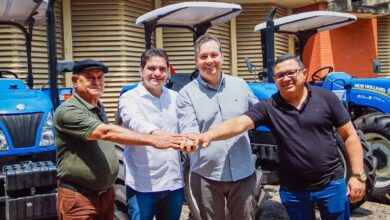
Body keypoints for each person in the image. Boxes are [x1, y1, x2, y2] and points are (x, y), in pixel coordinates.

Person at [198, 54, 366, 220]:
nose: (286, 78)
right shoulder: (269, 106)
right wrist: (209, 135)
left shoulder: (326, 98)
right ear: (275, 79)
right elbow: (239, 124)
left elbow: (350, 135)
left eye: (291, 72)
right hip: (294, 192)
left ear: (304, 73)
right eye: (280, 75)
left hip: (331, 186)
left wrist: (358, 175)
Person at [54, 59, 191, 220]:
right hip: (80, 197)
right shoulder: (68, 111)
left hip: (105, 196)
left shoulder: (97, 106)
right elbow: (106, 132)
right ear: (75, 81)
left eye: (100, 78)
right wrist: (154, 139)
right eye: (90, 78)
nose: (97, 82)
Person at [176, 34, 259, 220]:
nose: (209, 61)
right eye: (204, 56)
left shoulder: (240, 85)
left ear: (222, 57)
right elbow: (190, 128)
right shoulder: (186, 94)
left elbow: (260, 114)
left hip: (243, 172)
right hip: (206, 175)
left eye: (214, 55)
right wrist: (191, 140)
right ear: (196, 60)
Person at [118, 48, 191, 220]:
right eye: (151, 68)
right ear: (141, 71)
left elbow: (187, 123)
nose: (157, 73)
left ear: (168, 72)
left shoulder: (175, 97)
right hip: (143, 186)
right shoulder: (129, 98)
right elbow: (134, 121)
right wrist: (156, 134)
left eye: (162, 69)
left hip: (173, 183)